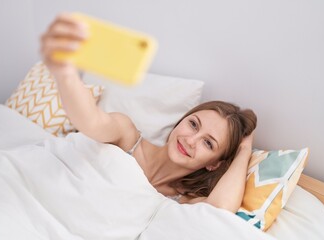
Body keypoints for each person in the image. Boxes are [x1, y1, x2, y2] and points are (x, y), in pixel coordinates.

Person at [40, 13, 257, 213]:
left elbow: (221, 210)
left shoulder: (184, 201)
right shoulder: (126, 135)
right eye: (193, 124)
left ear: (214, 163)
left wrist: (244, 151)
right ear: (181, 121)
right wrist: (65, 73)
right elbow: (91, 121)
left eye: (208, 143)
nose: (191, 140)